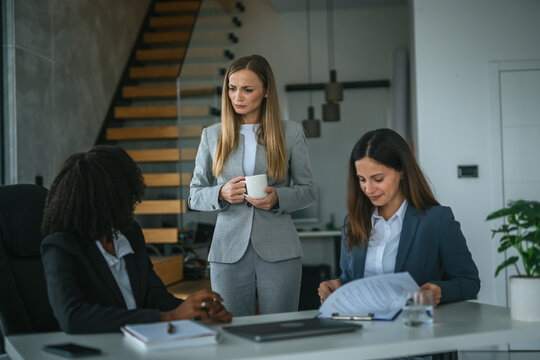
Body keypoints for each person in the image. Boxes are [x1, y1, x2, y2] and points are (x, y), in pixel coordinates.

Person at [41, 145, 232, 334]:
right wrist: (168, 317)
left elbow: (153, 294)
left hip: (140, 342)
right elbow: (73, 317)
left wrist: (197, 311)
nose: (131, 202)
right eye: (124, 196)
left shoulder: (129, 233)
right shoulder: (61, 246)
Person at [189, 55, 317, 316]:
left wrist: (278, 197)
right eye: (232, 88)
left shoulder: (290, 133)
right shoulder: (211, 135)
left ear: (267, 91)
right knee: (231, 335)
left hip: (280, 250)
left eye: (247, 90)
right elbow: (194, 195)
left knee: (281, 331)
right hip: (227, 251)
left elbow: (308, 190)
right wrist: (221, 193)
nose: (238, 96)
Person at [318, 129, 480, 307]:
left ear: (402, 171)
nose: (368, 189)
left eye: (378, 179)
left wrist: (439, 291)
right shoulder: (353, 222)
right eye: (362, 179)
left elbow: (469, 283)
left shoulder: (436, 220)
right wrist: (337, 285)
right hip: (362, 327)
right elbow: (350, 279)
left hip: (414, 326)